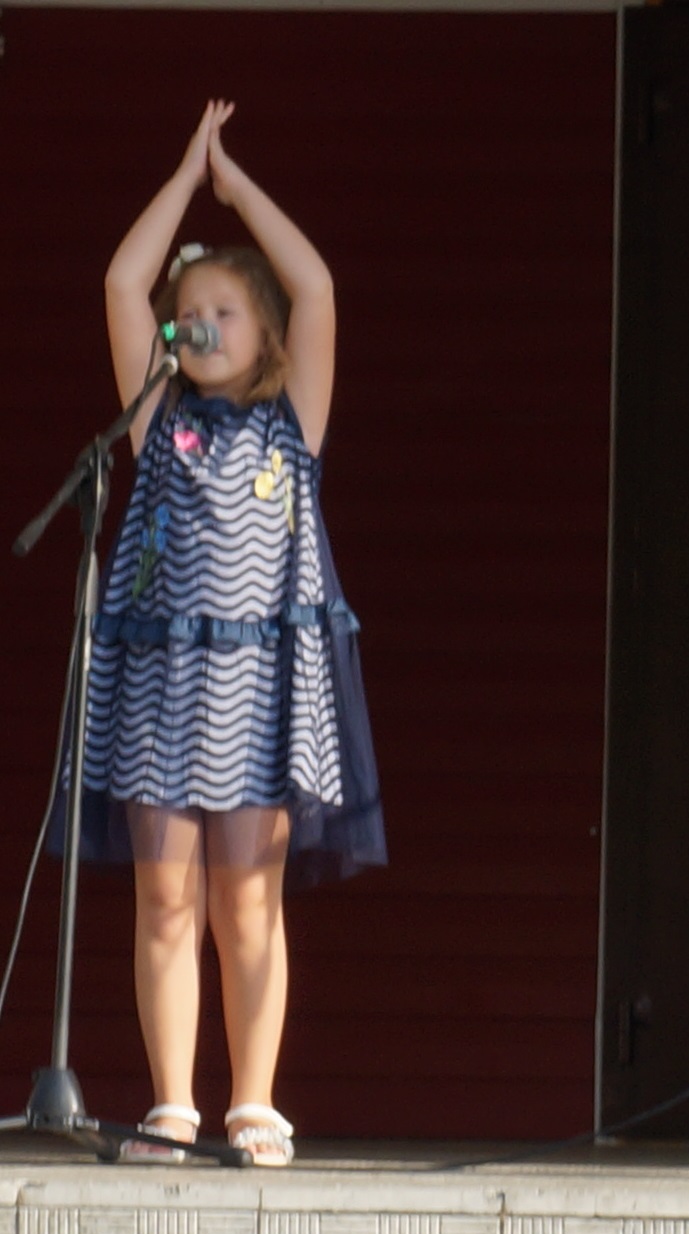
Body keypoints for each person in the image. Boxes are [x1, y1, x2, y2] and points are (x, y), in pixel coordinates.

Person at [78, 100, 387, 1164]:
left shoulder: (293, 421)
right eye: (190, 310)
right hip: (163, 688)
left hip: (261, 691)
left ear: (264, 333)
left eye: (224, 309)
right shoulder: (158, 419)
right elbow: (123, 284)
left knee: (245, 903)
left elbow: (318, 287)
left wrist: (235, 186)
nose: (199, 322)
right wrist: (180, 178)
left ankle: (252, 1100)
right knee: (164, 898)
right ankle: (173, 1103)